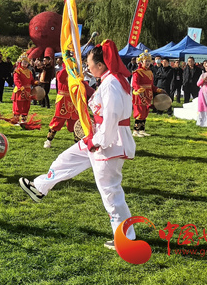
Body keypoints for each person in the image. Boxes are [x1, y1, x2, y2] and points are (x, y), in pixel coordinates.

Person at [19, 40, 136, 251]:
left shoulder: (111, 83)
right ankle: (40, 187)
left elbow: (111, 116)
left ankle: (125, 237)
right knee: (66, 159)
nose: (88, 66)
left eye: (89, 63)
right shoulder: (112, 80)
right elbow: (103, 107)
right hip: (100, 136)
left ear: (100, 65)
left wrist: (98, 142)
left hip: (108, 141)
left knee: (110, 191)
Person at [43, 59, 86, 149]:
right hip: (63, 100)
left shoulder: (76, 74)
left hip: (73, 100)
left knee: (75, 121)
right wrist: (67, 67)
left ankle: (78, 144)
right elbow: (60, 79)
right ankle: (48, 140)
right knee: (58, 120)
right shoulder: (61, 72)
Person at [131, 51, 165, 137]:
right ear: (141, 62)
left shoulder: (150, 72)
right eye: (146, 61)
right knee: (140, 112)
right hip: (140, 95)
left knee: (145, 113)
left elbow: (151, 86)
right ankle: (135, 131)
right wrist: (139, 90)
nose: (148, 63)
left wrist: (158, 90)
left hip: (148, 95)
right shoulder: (137, 72)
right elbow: (134, 84)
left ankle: (142, 130)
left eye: (149, 61)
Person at [11, 52, 36, 125]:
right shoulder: (17, 71)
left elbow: (31, 80)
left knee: (26, 105)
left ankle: (23, 120)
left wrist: (35, 82)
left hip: (28, 91)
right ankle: (16, 120)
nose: (25, 63)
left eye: (26, 62)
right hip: (20, 91)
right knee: (18, 105)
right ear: (21, 62)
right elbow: (16, 80)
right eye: (24, 62)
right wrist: (20, 87)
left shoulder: (29, 72)